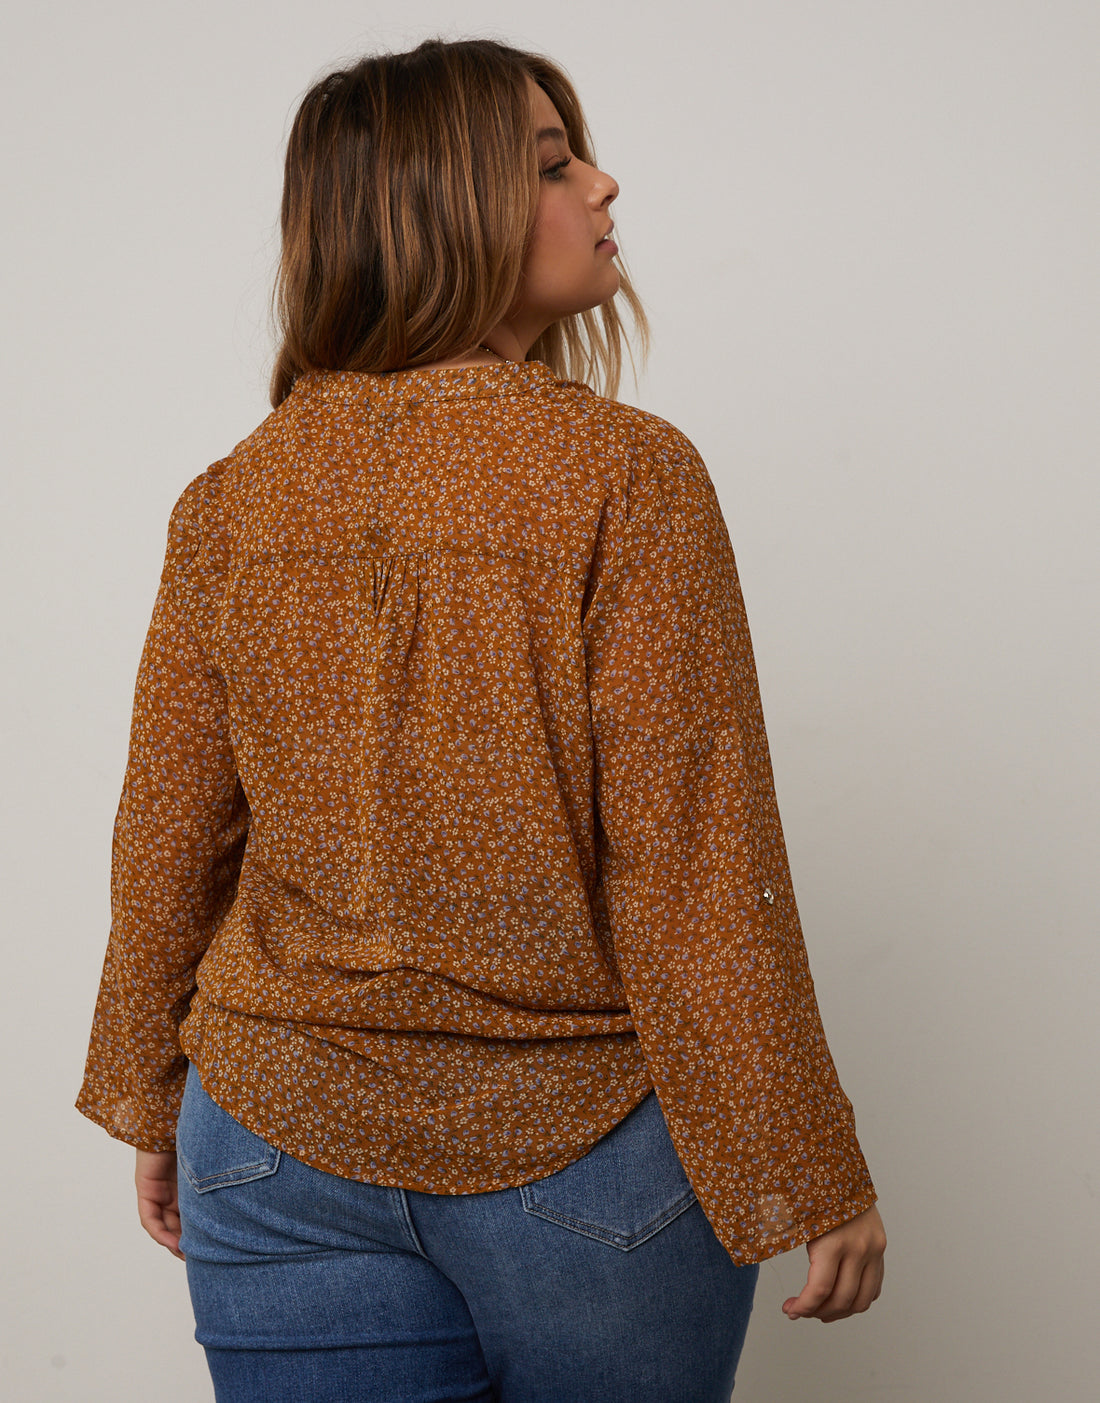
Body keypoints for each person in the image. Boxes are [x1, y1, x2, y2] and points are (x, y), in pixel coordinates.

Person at [76, 35, 886, 1403]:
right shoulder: (625, 475)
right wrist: (804, 1166)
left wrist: (153, 1095)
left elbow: (170, 834)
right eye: (555, 165)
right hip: (588, 1156)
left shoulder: (229, 499)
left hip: (270, 1145)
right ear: (440, 208)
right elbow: (692, 863)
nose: (603, 185)